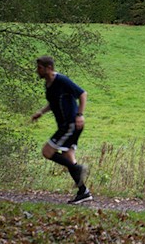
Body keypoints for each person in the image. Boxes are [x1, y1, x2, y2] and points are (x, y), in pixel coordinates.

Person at [30, 56, 92, 205]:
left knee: (47, 152)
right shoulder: (48, 84)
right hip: (66, 125)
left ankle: (79, 168)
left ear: (49, 68)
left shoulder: (62, 80)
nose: (37, 70)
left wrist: (80, 115)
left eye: (40, 67)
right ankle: (83, 192)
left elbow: (83, 94)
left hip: (70, 124)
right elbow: (54, 102)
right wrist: (41, 112)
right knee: (68, 156)